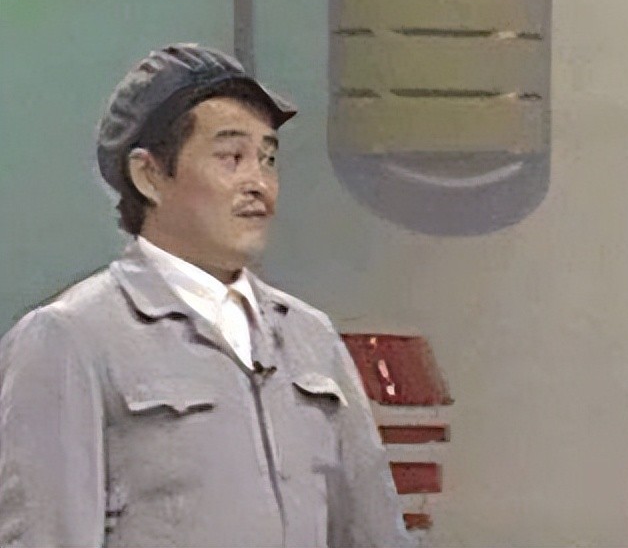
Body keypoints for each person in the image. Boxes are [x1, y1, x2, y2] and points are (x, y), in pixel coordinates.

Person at [0, 43, 413, 548]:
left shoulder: (311, 337)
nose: (259, 183)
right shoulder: (71, 338)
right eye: (231, 158)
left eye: (268, 159)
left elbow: (375, 534)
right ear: (149, 175)